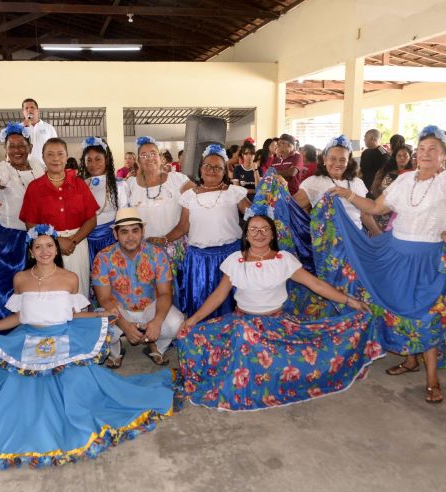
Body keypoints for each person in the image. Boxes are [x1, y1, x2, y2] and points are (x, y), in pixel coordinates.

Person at [0, 225, 178, 470]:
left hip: (64, 338)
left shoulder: (70, 278)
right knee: (17, 397)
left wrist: (100, 315)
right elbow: (21, 316)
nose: (45, 251)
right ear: (31, 251)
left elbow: (71, 315)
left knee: (79, 393)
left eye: (49, 246)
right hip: (28, 339)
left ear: (57, 249)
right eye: (38, 247)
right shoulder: (20, 279)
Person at [325, 125, 446, 403]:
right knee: (398, 310)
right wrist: (348, 195)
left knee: (425, 317)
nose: (425, 154)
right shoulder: (404, 180)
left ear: (443, 156)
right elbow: (377, 208)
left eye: (433, 149)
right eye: (422, 149)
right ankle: (411, 360)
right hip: (394, 254)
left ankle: (432, 379)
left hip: (428, 259)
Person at [177, 210, 375, 411]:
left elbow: (316, 285)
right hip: (241, 323)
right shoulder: (235, 260)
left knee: (302, 358)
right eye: (253, 229)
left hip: (277, 325)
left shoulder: (284, 259)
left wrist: (349, 301)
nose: (259, 234)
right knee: (194, 335)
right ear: (246, 235)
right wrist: (193, 319)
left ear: (272, 235)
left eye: (265, 229)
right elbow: (219, 295)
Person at [92, 208, 185, 368]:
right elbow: (104, 299)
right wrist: (125, 326)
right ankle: (115, 351)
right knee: (97, 328)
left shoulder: (157, 254)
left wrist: (157, 321)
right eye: (124, 232)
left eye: (135, 231)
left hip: (149, 308)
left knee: (176, 323)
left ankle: (156, 346)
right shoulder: (103, 257)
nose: (130, 237)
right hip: (118, 310)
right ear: (115, 234)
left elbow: (165, 293)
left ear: (142, 232)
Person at [170, 144, 250, 320]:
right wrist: (163, 238)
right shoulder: (189, 195)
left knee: (231, 304)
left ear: (224, 171)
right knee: (201, 303)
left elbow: (253, 214)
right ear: (200, 169)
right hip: (199, 260)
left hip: (230, 257)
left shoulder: (234, 192)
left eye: (217, 167)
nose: (211, 170)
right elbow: (183, 227)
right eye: (207, 166)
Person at [19, 138, 98, 298]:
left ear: (66, 156)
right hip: (46, 247)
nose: (56, 158)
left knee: (79, 291)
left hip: (77, 244)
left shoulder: (79, 184)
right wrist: (55, 241)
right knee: (51, 292)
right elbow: (30, 223)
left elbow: (91, 220)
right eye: (50, 154)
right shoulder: (34, 187)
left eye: (60, 154)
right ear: (43, 157)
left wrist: (73, 241)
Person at [127, 136, 194, 268]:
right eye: (144, 155)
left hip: (174, 248)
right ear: (138, 161)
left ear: (160, 157)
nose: (149, 158)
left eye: (153, 153)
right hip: (142, 250)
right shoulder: (130, 185)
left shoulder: (177, 180)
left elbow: (200, 197)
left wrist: (166, 239)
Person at [294, 135, 381, 235]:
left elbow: (364, 214)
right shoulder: (313, 183)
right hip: (329, 241)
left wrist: (377, 233)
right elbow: (292, 208)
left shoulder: (357, 182)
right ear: (324, 159)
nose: (337, 163)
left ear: (348, 161)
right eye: (333, 159)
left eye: (342, 159)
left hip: (357, 237)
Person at [78, 136, 130, 268]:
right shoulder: (80, 185)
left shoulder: (119, 185)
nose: (93, 164)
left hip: (111, 239)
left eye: (98, 159)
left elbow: (124, 216)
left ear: (106, 160)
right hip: (86, 241)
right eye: (89, 160)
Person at [370, 145, 414, 230]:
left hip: (402, 214)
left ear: (409, 157)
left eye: (405, 155)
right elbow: (374, 188)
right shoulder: (384, 171)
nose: (402, 158)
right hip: (383, 210)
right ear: (395, 157)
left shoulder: (413, 174)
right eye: (399, 155)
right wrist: (382, 204)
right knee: (380, 235)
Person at [21, 97, 57, 163]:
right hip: (24, 165)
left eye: (32, 107)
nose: (29, 110)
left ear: (38, 111)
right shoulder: (19, 128)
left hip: (44, 165)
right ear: (23, 112)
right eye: (26, 108)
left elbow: (55, 147)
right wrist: (25, 127)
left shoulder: (49, 128)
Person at [359, 129, 389, 194]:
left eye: (365, 137)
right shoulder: (365, 152)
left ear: (372, 138)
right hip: (364, 187)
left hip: (376, 190)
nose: (364, 140)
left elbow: (387, 174)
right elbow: (362, 170)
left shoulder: (383, 154)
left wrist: (380, 189)